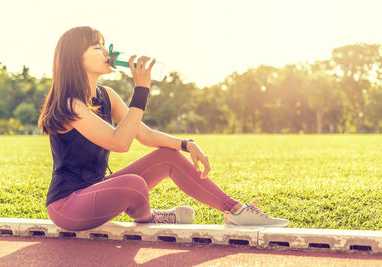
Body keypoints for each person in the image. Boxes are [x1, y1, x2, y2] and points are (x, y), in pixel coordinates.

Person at [38, 26, 289, 231]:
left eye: (105, 45)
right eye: (97, 47)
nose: (106, 51)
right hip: (68, 205)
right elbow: (120, 143)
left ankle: (235, 210)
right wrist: (141, 89)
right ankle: (151, 217)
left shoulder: (107, 95)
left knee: (168, 156)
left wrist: (185, 144)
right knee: (133, 184)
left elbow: (144, 134)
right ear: (75, 57)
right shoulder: (70, 105)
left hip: (99, 190)